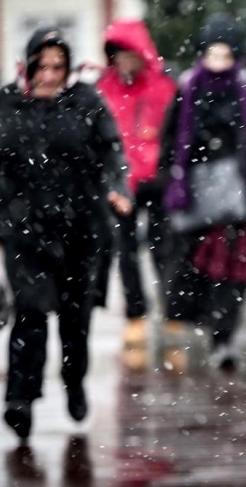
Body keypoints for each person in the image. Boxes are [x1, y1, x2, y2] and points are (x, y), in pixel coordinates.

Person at [0, 27, 132, 440]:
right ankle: (20, 399)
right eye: (43, 65)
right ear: (29, 63)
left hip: (81, 229)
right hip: (23, 229)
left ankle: (75, 381)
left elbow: (113, 152)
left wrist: (117, 188)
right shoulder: (4, 103)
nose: (50, 74)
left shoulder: (86, 101)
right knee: (31, 314)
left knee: (75, 320)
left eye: (59, 66)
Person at [160, 14, 246, 372]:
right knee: (192, 270)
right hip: (192, 196)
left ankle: (223, 338)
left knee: (232, 272)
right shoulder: (188, 87)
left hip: (236, 198)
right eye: (213, 54)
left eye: (226, 55)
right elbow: (170, 138)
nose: (219, 62)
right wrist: (175, 179)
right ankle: (206, 326)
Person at [96, 19, 177, 370]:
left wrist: (165, 170)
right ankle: (136, 315)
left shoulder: (163, 86)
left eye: (128, 55)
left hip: (156, 182)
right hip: (121, 186)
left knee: (164, 251)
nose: (124, 63)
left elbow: (175, 134)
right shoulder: (104, 88)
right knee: (125, 253)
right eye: (118, 56)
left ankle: (171, 310)